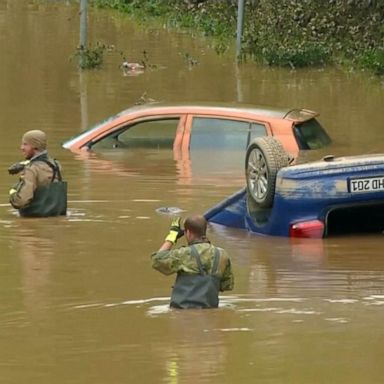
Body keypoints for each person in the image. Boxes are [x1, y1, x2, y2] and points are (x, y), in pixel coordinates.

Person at [151, 214, 234, 309]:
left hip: (182, 313)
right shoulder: (222, 254)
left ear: (189, 233)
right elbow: (227, 286)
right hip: (210, 312)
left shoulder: (184, 253)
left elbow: (157, 260)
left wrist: (172, 237)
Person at [8, 129, 67, 217]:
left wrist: (13, 193)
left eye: (25, 144)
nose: (22, 148)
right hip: (57, 218)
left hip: (33, 221)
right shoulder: (56, 165)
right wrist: (26, 164)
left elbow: (20, 202)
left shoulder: (31, 169)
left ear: (35, 146)